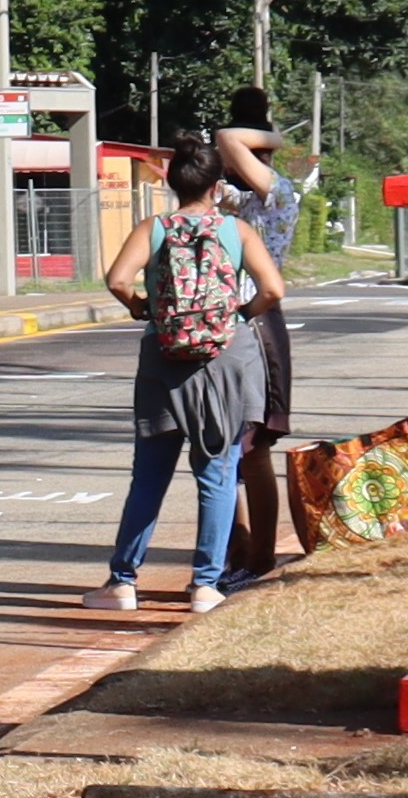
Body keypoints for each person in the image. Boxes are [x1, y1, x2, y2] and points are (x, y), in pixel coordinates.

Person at [98, 138, 284, 615]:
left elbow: (118, 279)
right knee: (217, 472)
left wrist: (141, 307)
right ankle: (205, 584)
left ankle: (122, 583)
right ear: (218, 187)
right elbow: (273, 289)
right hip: (224, 361)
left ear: (173, 183)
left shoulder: (153, 228)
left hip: (164, 360)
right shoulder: (236, 230)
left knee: (149, 477)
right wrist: (239, 315)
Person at [212, 90, 312, 580]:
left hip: (256, 318)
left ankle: (261, 558)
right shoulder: (227, 199)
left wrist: (262, 137)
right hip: (216, 322)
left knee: (253, 450)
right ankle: (236, 551)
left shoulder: (278, 194)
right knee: (219, 448)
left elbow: (228, 139)